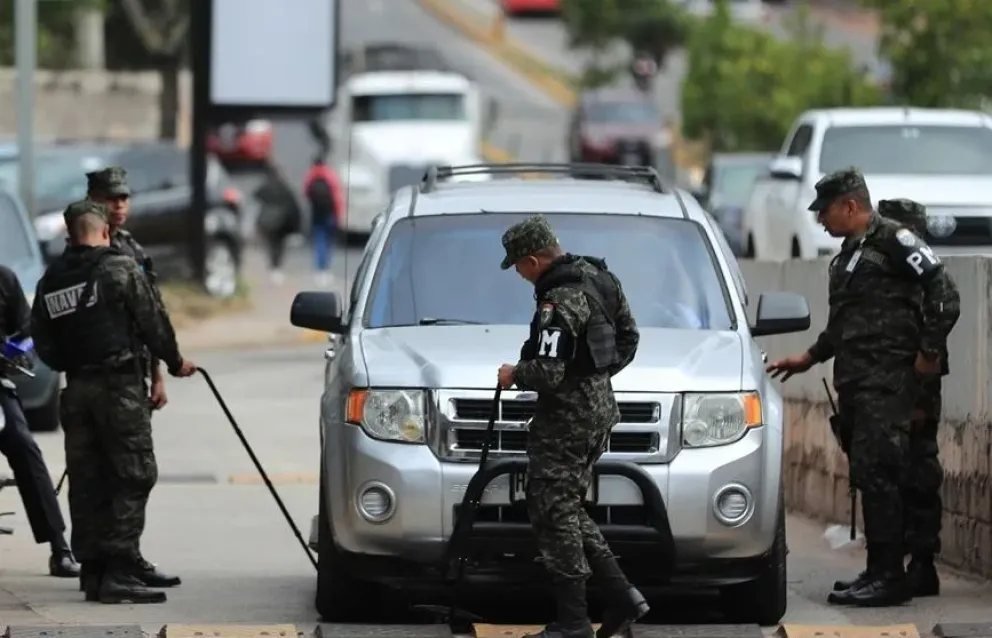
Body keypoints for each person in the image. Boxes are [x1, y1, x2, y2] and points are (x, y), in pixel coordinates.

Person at [766, 169, 958, 607]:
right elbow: (845, 326)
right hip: (858, 383)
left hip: (888, 383)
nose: (820, 222)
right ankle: (878, 571)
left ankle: (890, 576)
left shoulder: (894, 240)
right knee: (872, 474)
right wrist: (810, 357)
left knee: (883, 475)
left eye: (826, 211)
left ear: (850, 206)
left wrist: (929, 351)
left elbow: (945, 291)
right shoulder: (852, 253)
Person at [30, 201, 198, 604]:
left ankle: (94, 572)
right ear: (104, 232)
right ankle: (120, 569)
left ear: (70, 234)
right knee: (134, 475)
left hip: (77, 391)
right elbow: (152, 321)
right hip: (118, 390)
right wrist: (174, 363)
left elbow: (43, 343)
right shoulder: (119, 269)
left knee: (87, 482)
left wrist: (75, 363)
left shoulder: (51, 279)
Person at [496, 215, 646, 638]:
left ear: (531, 259)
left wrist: (513, 374)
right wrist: (596, 379)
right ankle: (623, 597)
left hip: (565, 421)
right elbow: (629, 338)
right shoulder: (600, 277)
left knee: (554, 511)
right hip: (598, 412)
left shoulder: (558, 301)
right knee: (565, 506)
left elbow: (546, 373)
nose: (522, 277)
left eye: (519, 268)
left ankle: (574, 621)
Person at [86, 167, 181, 591]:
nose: (119, 206)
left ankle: (120, 561)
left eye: (124, 198)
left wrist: (156, 375)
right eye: (110, 199)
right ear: (93, 200)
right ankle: (108, 567)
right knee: (122, 474)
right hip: (103, 379)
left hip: (131, 376)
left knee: (122, 474)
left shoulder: (131, 248)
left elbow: (150, 312)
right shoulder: (83, 252)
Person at [874, 198, 958, 596]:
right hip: (895, 383)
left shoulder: (921, 274)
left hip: (918, 385)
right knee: (896, 471)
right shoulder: (894, 272)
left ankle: (922, 564)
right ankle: (903, 560)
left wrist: (926, 357)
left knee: (919, 470)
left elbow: (940, 314)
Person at [0, 265, 80, 578]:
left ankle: (59, 548)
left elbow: (27, 331)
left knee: (23, 443)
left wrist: (20, 353)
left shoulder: (5, 278)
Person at [253, 160, 302, 285]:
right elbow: (294, 206)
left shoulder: (265, 187)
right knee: (279, 246)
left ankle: (273, 266)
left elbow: (255, 199)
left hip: (268, 223)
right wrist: (296, 227)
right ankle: (276, 267)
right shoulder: (284, 187)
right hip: (282, 222)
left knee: (271, 245)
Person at [302, 155, 344, 287]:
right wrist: (339, 214)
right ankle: (326, 270)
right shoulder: (330, 175)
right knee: (328, 242)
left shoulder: (311, 176)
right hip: (330, 213)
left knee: (319, 240)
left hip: (317, 213)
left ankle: (319, 271)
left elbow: (306, 193)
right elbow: (337, 196)